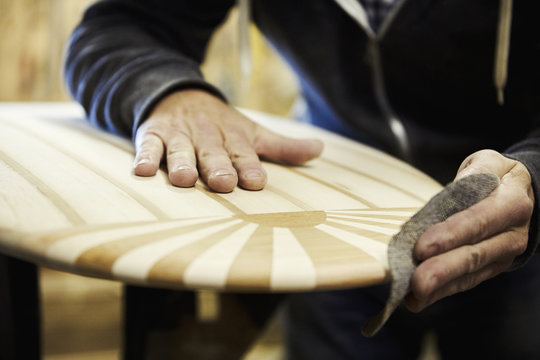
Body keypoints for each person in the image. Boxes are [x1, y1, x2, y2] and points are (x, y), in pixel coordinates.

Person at [64, 0, 540, 358]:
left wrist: (534, 172)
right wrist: (169, 92)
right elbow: (119, 25)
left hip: (519, 218)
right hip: (336, 213)